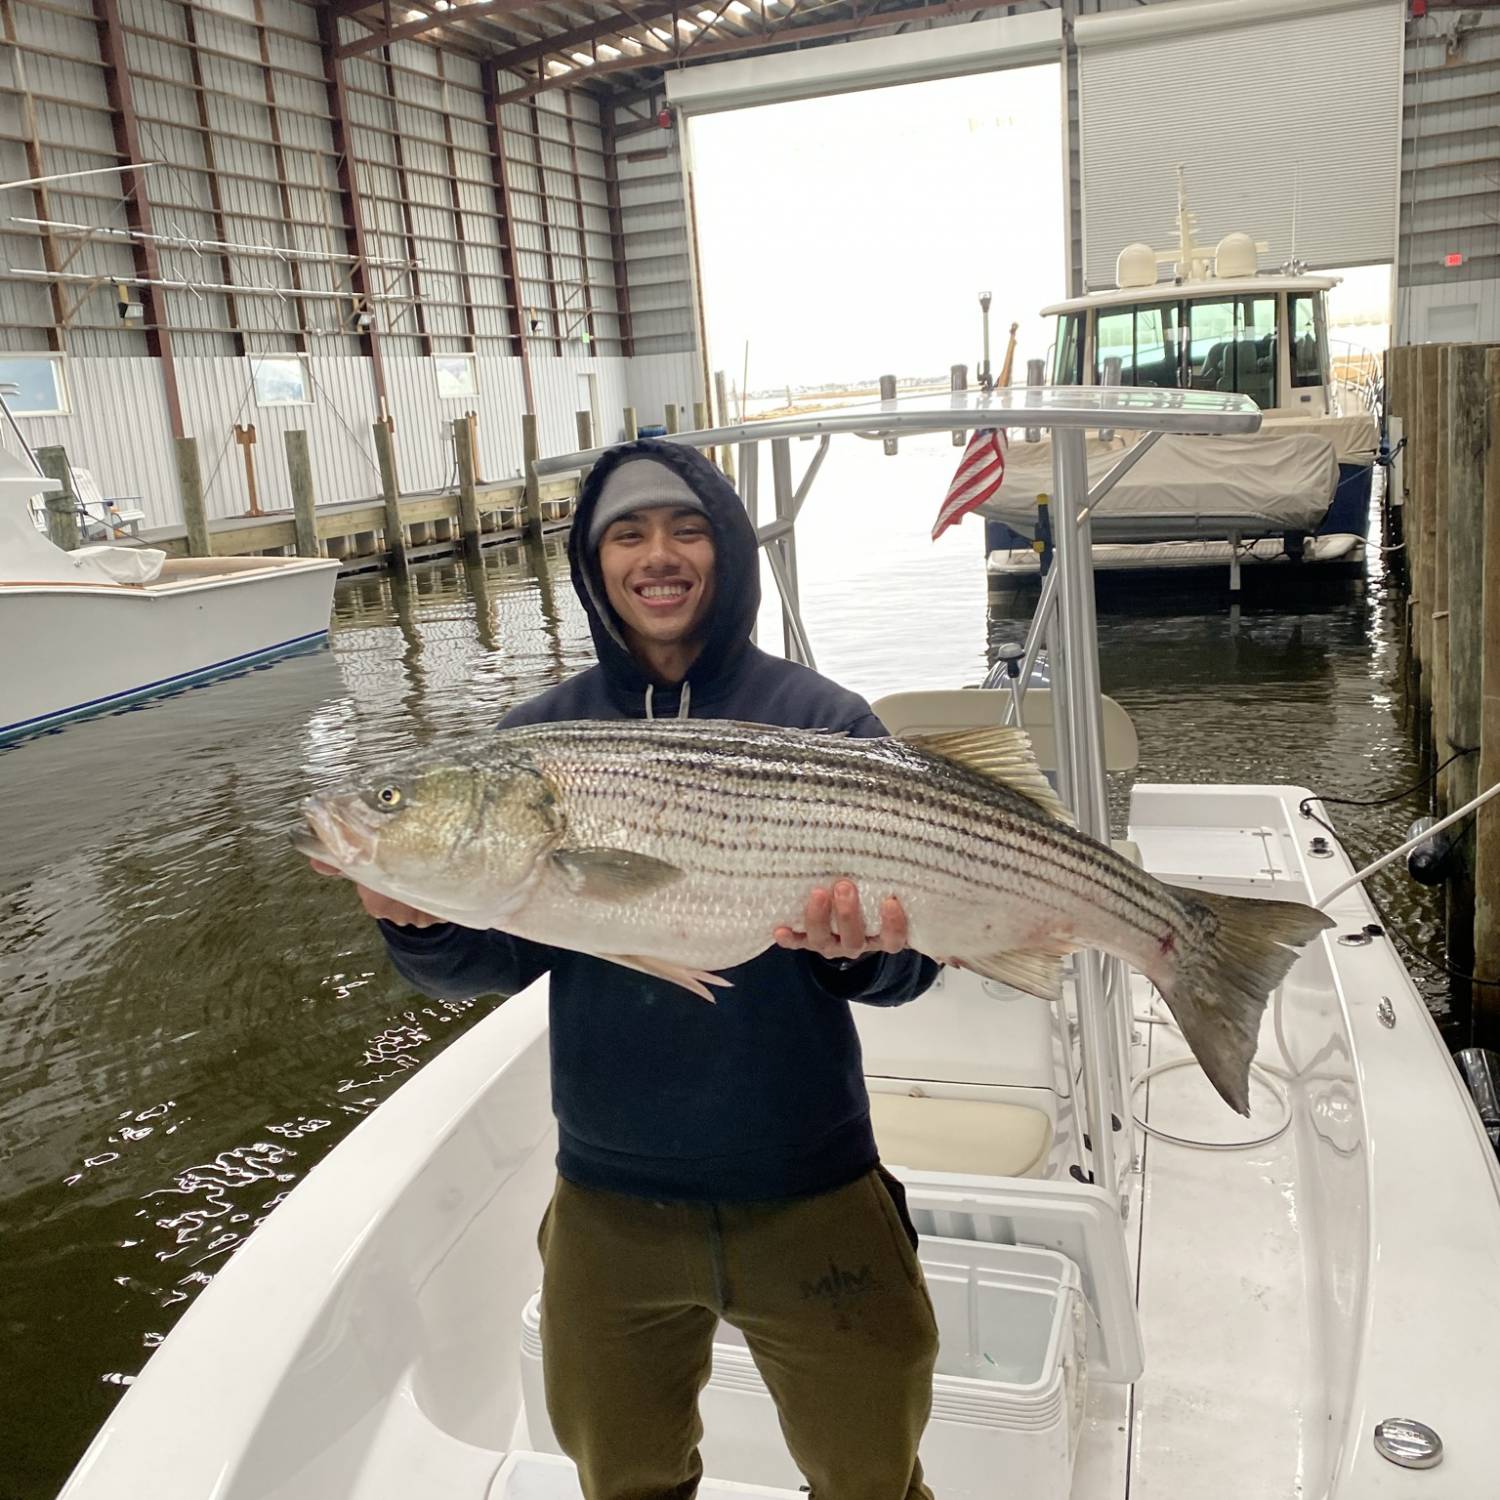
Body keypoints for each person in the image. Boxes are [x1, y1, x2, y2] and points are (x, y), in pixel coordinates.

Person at [313, 438, 941, 1499]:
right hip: (609, 1197)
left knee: (871, 1474)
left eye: (687, 529)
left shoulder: (823, 722)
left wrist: (865, 957)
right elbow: (491, 955)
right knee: (622, 1478)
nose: (660, 555)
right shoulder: (536, 742)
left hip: (813, 1182)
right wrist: (417, 929)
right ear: (595, 563)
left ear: (726, 551)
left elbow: (910, 968)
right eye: (628, 533)